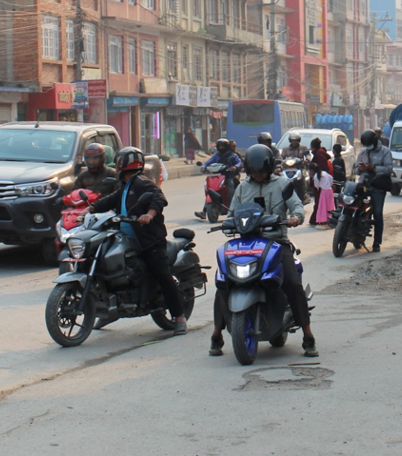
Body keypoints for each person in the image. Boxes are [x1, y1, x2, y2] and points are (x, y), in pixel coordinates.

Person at [209, 144, 317, 357]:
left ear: (269, 169)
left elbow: (296, 205)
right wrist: (227, 222)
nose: (258, 175)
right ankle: (216, 334)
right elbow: (232, 214)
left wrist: (296, 217)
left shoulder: (283, 184)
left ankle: (308, 335)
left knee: (292, 285)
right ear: (249, 170)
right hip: (246, 243)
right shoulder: (242, 188)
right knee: (224, 282)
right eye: (255, 172)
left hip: (276, 243)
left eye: (262, 171)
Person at [89, 147, 187, 334]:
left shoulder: (142, 183)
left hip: (149, 241)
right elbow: (108, 201)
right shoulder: (125, 188)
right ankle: (108, 311)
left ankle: (180, 317)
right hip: (127, 239)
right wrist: (90, 210)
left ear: (123, 164)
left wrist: (149, 214)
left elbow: (158, 197)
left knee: (162, 274)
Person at [355, 129, 392, 252]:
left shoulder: (385, 152)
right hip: (363, 184)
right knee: (354, 207)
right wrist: (360, 169)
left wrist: (374, 168)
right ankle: (356, 234)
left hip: (378, 186)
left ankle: (377, 242)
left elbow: (388, 169)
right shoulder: (363, 152)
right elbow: (355, 170)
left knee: (377, 214)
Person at [194, 138, 242, 220]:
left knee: (230, 189)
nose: (221, 148)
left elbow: (239, 162)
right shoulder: (216, 155)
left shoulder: (233, 155)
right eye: (219, 146)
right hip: (217, 176)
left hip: (228, 176)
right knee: (210, 190)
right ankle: (204, 211)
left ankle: (231, 209)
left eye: (223, 146)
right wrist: (203, 167)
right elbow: (208, 162)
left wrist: (235, 167)